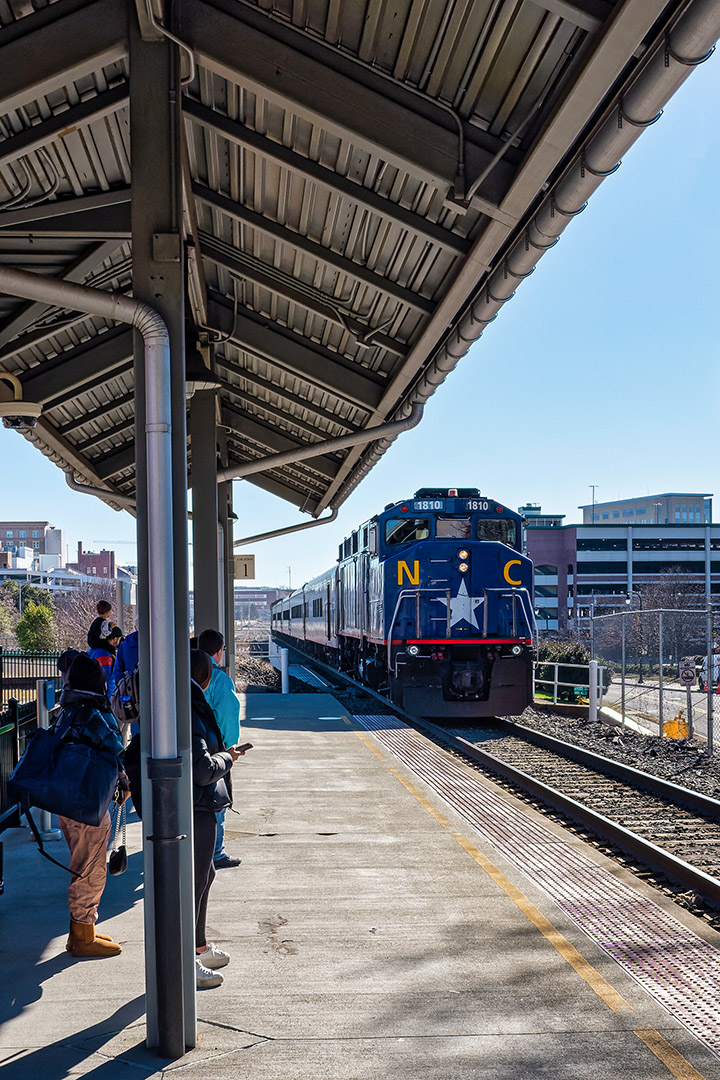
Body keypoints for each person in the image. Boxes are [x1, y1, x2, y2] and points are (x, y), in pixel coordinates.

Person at [57, 653, 129, 958]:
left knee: (80, 863)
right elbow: (114, 753)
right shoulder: (95, 713)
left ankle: (80, 931)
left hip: (68, 800)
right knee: (91, 868)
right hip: (90, 803)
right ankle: (84, 936)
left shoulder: (67, 709)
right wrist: (124, 784)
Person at [190, 649, 244, 989]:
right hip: (194, 805)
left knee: (204, 874)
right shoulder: (190, 706)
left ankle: (198, 946)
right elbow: (202, 768)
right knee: (193, 881)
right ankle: (187, 962)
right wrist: (228, 756)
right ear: (204, 673)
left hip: (195, 805)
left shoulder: (187, 699)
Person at [197, 628, 241, 870]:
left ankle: (200, 848)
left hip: (193, 747)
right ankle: (216, 852)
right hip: (215, 750)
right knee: (217, 801)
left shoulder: (185, 672)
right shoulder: (219, 680)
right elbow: (228, 718)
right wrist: (229, 751)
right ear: (218, 652)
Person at [108, 616, 139, 700]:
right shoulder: (157, 641)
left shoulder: (125, 645)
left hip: (131, 691)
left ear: (135, 627)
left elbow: (118, 672)